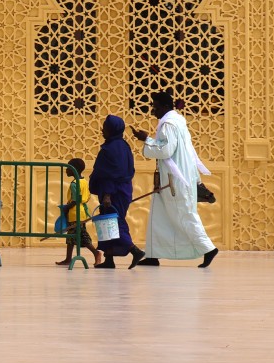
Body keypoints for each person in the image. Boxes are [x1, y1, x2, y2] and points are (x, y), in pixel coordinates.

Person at [130, 90, 218, 268]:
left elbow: (165, 150)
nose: (153, 111)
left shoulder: (169, 124)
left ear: (164, 107)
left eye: (155, 107)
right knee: (159, 215)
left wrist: (146, 139)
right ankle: (153, 255)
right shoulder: (178, 121)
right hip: (173, 178)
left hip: (175, 180)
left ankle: (208, 248)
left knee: (185, 215)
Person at [87, 115, 147, 269]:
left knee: (114, 222)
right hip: (123, 190)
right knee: (108, 223)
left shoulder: (110, 149)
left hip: (113, 192)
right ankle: (109, 259)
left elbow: (110, 174)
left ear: (112, 129)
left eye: (105, 127)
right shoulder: (124, 146)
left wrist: (107, 194)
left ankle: (135, 250)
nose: (102, 130)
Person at [57, 157, 103, 269]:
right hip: (81, 212)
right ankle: (68, 258)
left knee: (82, 236)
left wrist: (66, 207)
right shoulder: (84, 181)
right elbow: (85, 198)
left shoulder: (74, 183)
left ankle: (96, 253)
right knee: (70, 237)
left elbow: (75, 199)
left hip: (75, 213)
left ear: (74, 169)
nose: (66, 170)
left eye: (68, 168)